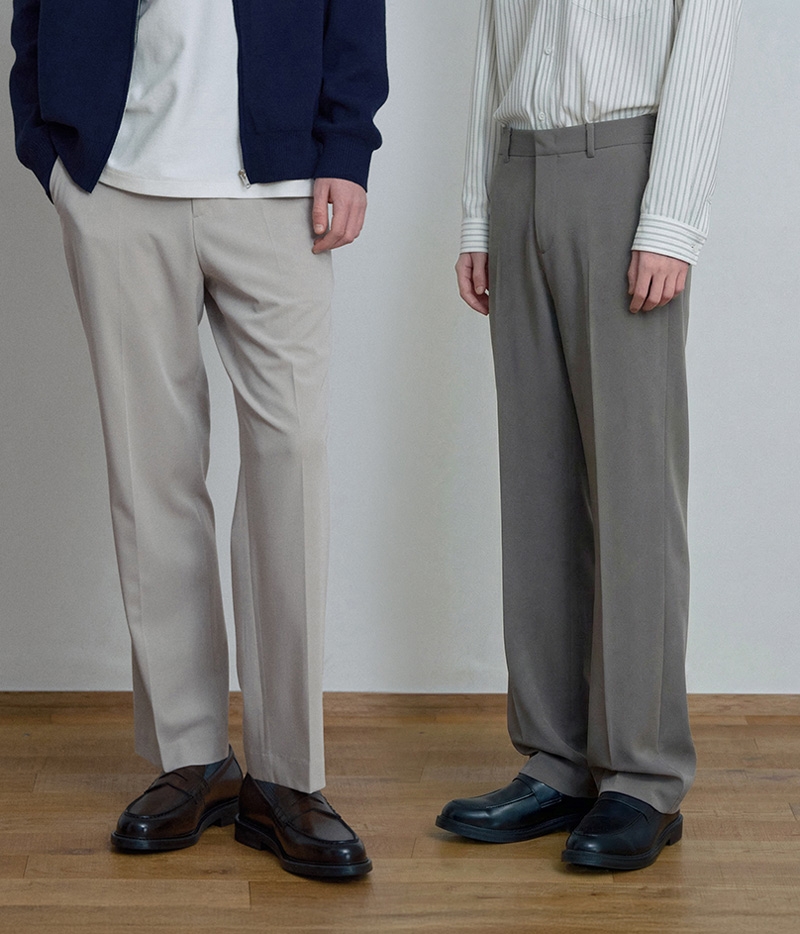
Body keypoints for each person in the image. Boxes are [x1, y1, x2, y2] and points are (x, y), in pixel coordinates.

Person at [10, 0, 387, 879]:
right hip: (117, 183)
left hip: (281, 188)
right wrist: (49, 151)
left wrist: (346, 147)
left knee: (292, 466)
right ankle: (192, 757)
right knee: (152, 475)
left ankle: (287, 774)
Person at [436, 0, 742, 871]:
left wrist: (671, 216)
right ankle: (557, 760)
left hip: (626, 172)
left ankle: (644, 774)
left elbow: (705, 39)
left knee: (635, 491)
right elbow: (495, 43)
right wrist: (478, 211)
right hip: (519, 167)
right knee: (535, 486)